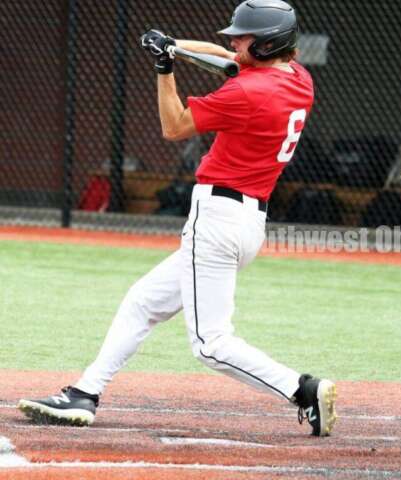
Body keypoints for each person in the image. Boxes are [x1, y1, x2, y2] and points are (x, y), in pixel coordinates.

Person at [17, 0, 337, 437]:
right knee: (142, 301)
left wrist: (165, 69)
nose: (234, 41)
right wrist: (171, 46)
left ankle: (301, 389)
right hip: (244, 220)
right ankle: (85, 393)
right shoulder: (298, 78)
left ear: (267, 45)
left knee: (210, 343)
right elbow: (224, 57)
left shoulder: (247, 92)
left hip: (218, 219)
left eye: (244, 37)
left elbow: (174, 126)